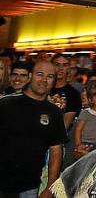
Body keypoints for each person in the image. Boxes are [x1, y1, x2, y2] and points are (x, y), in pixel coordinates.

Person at [0, 61, 67, 198]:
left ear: (54, 81)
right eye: (40, 74)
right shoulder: (6, 104)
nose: (44, 80)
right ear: (30, 76)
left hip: (29, 186)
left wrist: (50, 187)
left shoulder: (54, 113)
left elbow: (56, 152)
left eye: (49, 76)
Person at [49, 53, 82, 130]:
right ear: (51, 66)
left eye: (64, 65)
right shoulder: (42, 89)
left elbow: (64, 125)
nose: (60, 68)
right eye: (57, 64)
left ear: (68, 68)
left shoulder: (73, 94)